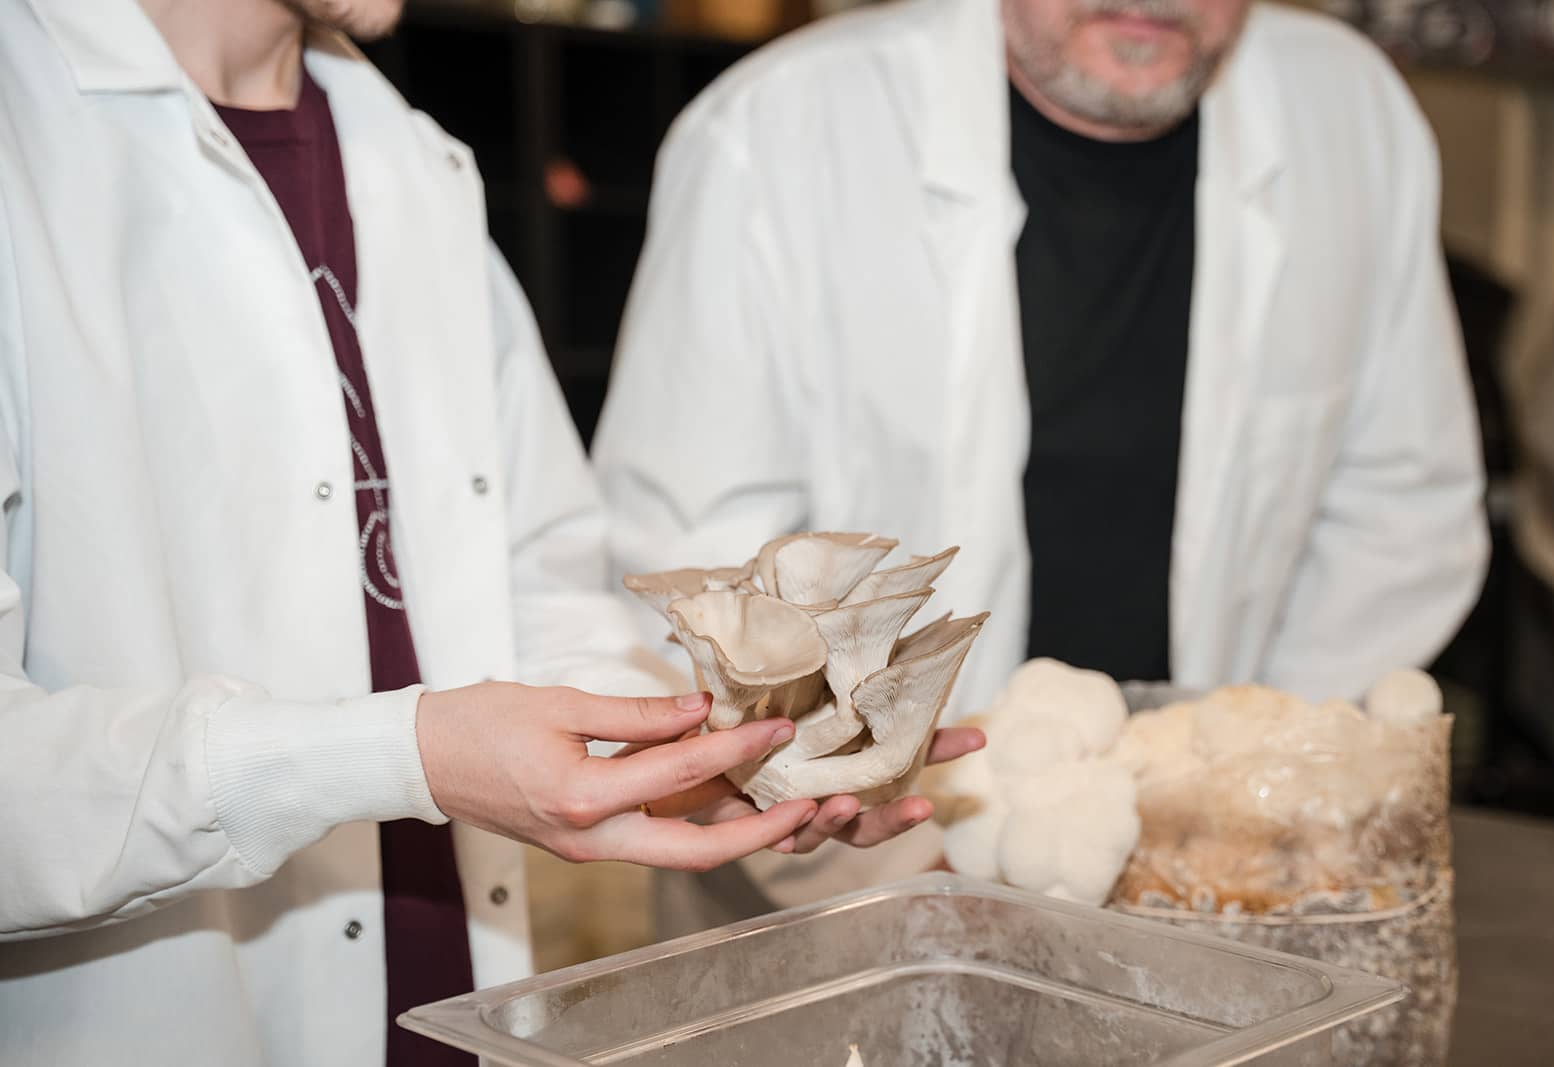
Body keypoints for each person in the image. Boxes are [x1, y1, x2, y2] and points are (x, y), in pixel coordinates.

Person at [0, 1, 978, 1063]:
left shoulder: (414, 168)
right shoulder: (27, 137)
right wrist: (404, 754)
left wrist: (721, 757)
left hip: (452, 1012)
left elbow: (537, 589)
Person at [593, 0, 1490, 929]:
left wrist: (1238, 783)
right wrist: (903, 841)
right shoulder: (780, 128)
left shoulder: (1352, 116)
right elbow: (693, 567)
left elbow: (1402, 500)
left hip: (1215, 871)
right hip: (839, 875)